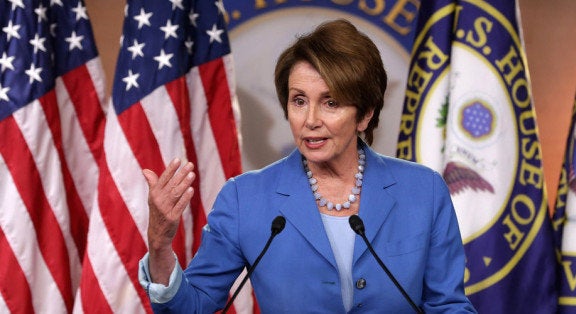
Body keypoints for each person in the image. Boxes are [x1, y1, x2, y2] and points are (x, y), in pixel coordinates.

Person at [138, 19, 476, 313]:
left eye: (330, 102)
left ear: (366, 113)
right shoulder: (245, 198)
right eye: (299, 101)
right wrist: (159, 246)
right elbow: (191, 306)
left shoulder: (423, 190)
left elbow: (447, 305)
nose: (310, 120)